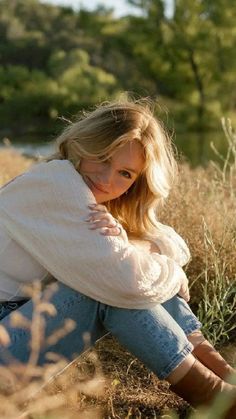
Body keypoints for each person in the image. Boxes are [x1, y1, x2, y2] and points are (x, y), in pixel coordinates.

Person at [0, 98, 235, 415]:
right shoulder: (55, 183)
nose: (108, 179)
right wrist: (173, 274)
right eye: (103, 158)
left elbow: (173, 242)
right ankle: (219, 398)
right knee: (106, 290)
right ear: (83, 144)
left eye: (125, 173)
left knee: (121, 274)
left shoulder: (82, 192)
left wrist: (136, 247)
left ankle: (224, 379)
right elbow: (127, 281)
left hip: (15, 334)